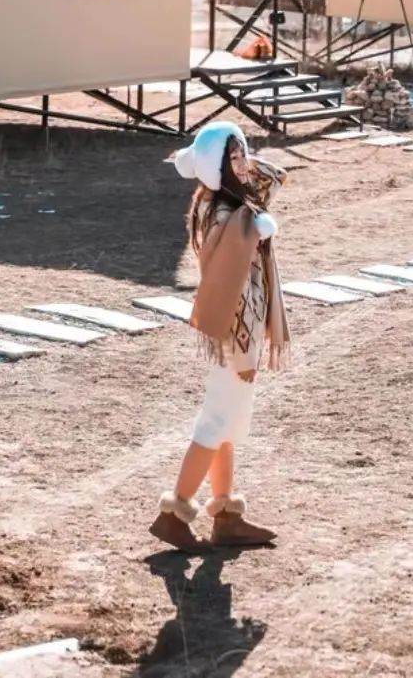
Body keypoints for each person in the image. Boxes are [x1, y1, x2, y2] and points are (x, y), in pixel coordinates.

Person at [149, 120, 290, 552]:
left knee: (227, 423)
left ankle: (226, 513)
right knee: (214, 423)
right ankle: (174, 513)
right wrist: (244, 351)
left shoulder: (227, 202)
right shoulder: (228, 216)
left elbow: (274, 177)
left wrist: (228, 155)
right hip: (234, 332)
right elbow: (234, 287)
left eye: (243, 152)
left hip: (237, 332)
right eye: (232, 156)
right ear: (215, 168)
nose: (243, 163)